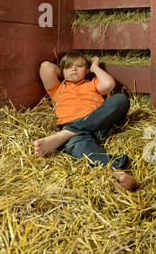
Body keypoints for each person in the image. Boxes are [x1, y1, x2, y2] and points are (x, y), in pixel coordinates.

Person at [34, 52, 138, 190]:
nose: (74, 69)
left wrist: (94, 67)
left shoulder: (93, 84)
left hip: (98, 125)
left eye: (79, 66)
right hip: (78, 134)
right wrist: (65, 69)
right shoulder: (57, 88)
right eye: (69, 67)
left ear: (87, 70)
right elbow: (45, 67)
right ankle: (118, 173)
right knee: (78, 145)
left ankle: (67, 134)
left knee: (121, 100)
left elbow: (109, 84)